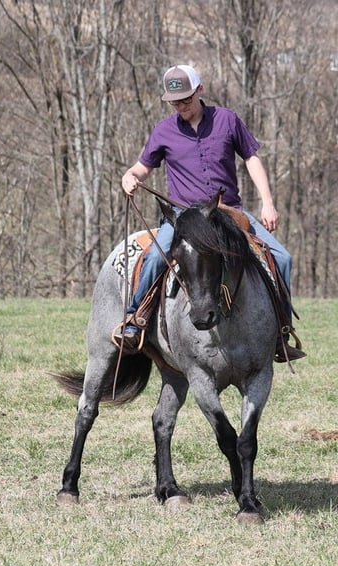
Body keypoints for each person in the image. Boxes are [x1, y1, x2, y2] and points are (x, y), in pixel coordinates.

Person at [118, 64, 305, 363]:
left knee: (282, 258)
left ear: (200, 90)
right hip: (185, 218)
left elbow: (251, 159)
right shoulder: (163, 131)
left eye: (186, 100)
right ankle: (134, 319)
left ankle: (281, 333)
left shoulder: (227, 120)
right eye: (175, 102)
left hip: (227, 212)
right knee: (154, 257)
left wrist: (268, 202)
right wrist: (131, 176)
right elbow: (143, 167)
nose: (182, 107)